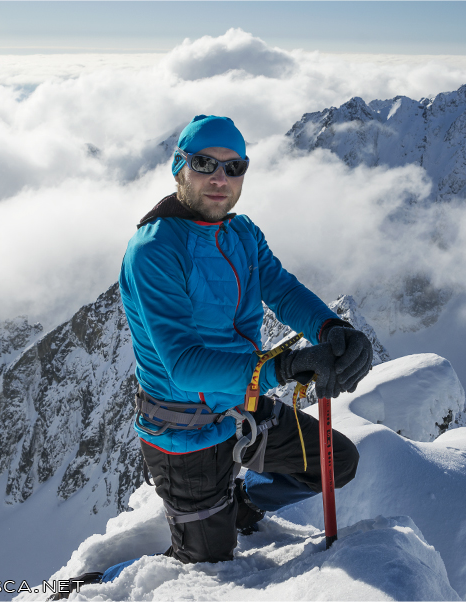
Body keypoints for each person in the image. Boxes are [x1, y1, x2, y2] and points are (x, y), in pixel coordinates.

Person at [118, 115, 373, 564]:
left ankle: (241, 504)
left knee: (338, 462)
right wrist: (283, 368)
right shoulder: (155, 250)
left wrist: (334, 330)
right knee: (201, 571)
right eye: (205, 164)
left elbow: (283, 290)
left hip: (242, 410)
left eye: (235, 168)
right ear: (179, 167)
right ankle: (93, 589)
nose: (221, 179)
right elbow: (184, 363)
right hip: (186, 432)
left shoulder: (242, 233)